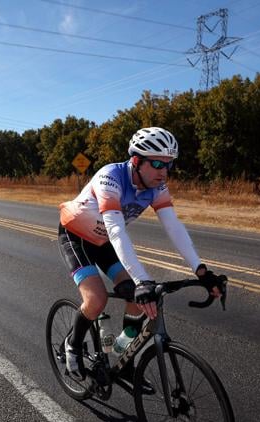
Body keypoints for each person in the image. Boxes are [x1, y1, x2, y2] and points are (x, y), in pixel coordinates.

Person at [57, 127, 224, 384]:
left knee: (135, 296)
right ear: (136, 160)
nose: (163, 171)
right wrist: (142, 280)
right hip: (76, 236)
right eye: (157, 163)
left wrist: (201, 270)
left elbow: (173, 227)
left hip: (103, 241)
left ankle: (124, 358)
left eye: (169, 164)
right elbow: (116, 229)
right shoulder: (110, 177)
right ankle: (73, 345)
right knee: (97, 299)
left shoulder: (157, 187)